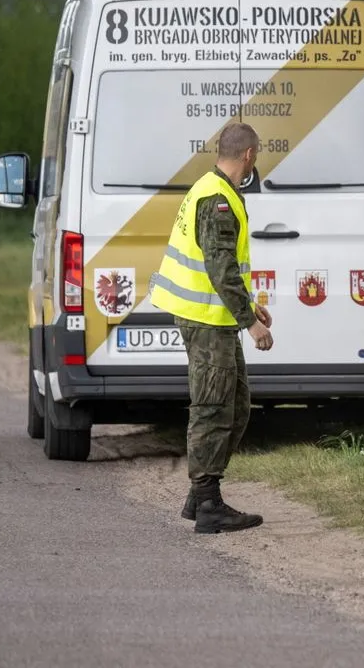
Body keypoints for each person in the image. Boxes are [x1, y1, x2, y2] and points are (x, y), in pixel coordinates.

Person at [151, 121, 273, 534]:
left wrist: (250, 308)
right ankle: (208, 504)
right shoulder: (217, 198)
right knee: (213, 408)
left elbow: (224, 269)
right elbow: (220, 268)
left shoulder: (213, 188)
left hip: (215, 317)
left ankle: (198, 496)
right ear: (249, 156)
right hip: (206, 320)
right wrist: (251, 324)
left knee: (235, 406)